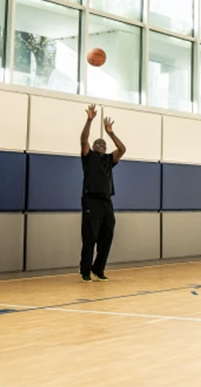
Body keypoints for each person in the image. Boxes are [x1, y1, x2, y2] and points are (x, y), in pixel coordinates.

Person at [79, 104, 126, 283]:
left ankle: (98, 269)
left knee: (107, 237)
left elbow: (122, 149)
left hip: (107, 202)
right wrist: (89, 120)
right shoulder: (88, 156)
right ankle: (84, 271)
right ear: (93, 146)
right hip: (91, 200)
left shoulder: (109, 160)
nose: (100, 144)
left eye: (103, 144)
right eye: (97, 143)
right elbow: (83, 140)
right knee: (90, 238)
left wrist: (111, 134)